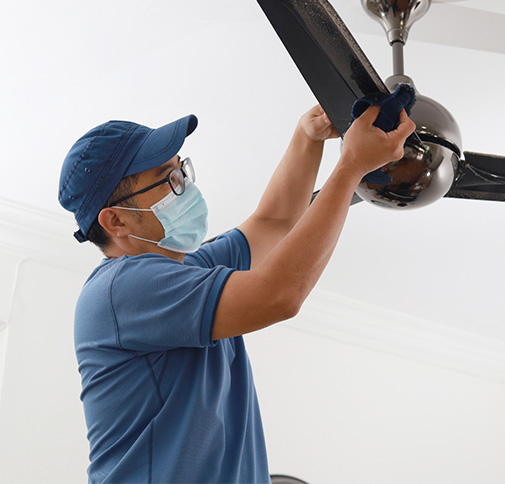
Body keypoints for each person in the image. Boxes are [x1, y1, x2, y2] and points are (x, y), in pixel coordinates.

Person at [58, 104, 416, 483]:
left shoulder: (187, 274)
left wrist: (307, 138)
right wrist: (350, 168)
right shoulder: (122, 290)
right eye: (169, 179)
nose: (185, 185)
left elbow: (274, 223)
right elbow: (280, 293)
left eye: (183, 169)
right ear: (115, 220)